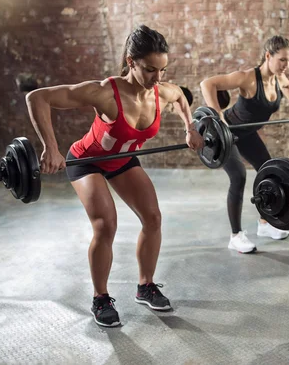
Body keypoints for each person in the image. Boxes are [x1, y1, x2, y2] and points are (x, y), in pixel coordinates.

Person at [25, 25, 204, 327]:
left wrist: (191, 128)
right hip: (87, 161)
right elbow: (37, 98)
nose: (157, 78)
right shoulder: (104, 92)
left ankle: (145, 286)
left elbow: (183, 100)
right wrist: (50, 148)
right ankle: (100, 298)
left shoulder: (161, 91)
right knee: (106, 225)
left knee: (153, 218)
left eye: (162, 70)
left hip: (121, 160)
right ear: (131, 61)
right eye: (150, 70)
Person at [200, 35, 289, 253]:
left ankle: (265, 223)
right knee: (238, 176)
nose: (286, 65)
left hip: (247, 134)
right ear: (268, 56)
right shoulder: (247, 78)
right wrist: (218, 117)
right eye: (282, 60)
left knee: (269, 171)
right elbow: (208, 84)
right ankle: (235, 235)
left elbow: (287, 86)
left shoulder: (277, 77)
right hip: (227, 135)